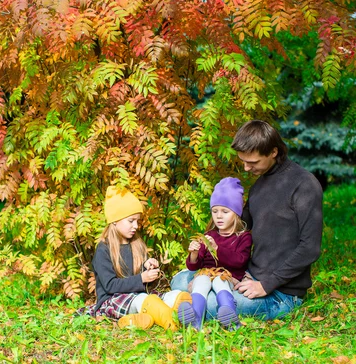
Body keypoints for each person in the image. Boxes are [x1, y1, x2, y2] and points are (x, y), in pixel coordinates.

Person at [171, 120, 323, 321]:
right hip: (247, 276)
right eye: (243, 161)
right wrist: (210, 273)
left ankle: (186, 304)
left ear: (273, 152)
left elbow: (310, 248)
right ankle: (191, 299)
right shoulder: (259, 187)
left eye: (252, 163)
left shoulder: (304, 185)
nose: (246, 168)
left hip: (280, 293)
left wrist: (266, 284)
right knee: (181, 280)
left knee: (210, 304)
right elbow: (238, 233)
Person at [86, 185, 192, 330]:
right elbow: (110, 286)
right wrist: (141, 278)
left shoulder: (136, 244)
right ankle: (172, 323)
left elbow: (144, 283)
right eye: (131, 221)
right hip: (112, 301)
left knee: (173, 295)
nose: (135, 226)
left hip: (138, 297)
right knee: (144, 300)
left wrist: (149, 267)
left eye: (137, 221)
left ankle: (134, 320)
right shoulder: (103, 249)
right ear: (115, 220)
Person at [176, 177, 252, 330]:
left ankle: (229, 315)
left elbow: (240, 261)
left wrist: (217, 249)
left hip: (227, 276)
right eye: (215, 211)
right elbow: (194, 266)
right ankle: (195, 320)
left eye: (225, 211)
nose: (218, 216)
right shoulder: (209, 234)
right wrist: (194, 254)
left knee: (219, 281)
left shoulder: (243, 237)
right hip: (206, 273)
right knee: (200, 282)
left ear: (236, 213)